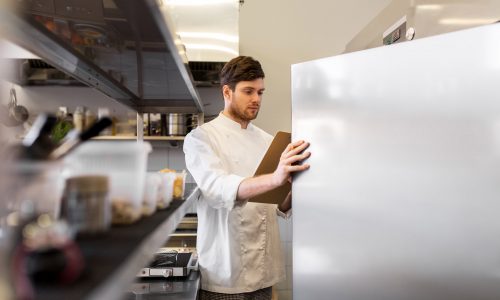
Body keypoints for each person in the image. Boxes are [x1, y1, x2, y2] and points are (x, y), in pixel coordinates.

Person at [183, 56, 311, 300]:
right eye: (248, 91)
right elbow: (217, 188)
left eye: (260, 92)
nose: (256, 99)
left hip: (264, 273)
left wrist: (294, 188)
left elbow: (277, 206)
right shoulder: (201, 138)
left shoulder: (268, 140)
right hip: (225, 276)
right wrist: (275, 178)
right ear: (227, 92)